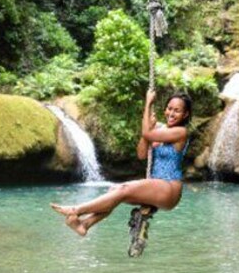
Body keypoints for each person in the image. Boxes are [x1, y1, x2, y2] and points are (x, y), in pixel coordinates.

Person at [51, 90, 192, 236]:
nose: (171, 113)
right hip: (156, 185)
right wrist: (150, 126)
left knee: (123, 188)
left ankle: (76, 210)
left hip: (169, 188)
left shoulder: (181, 132)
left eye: (177, 111)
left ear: (185, 114)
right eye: (169, 108)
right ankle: (85, 225)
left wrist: (148, 104)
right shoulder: (159, 128)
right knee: (115, 191)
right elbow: (142, 154)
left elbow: (147, 134)